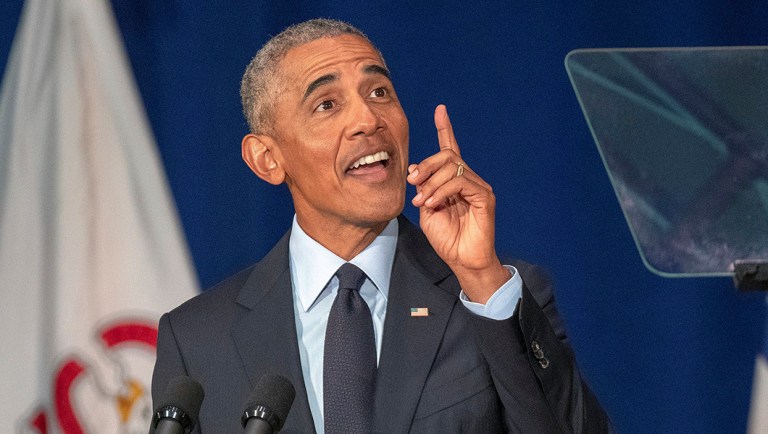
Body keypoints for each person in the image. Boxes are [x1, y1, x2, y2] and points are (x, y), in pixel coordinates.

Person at [151, 18, 612, 433]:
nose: (368, 119)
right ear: (267, 159)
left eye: (379, 93)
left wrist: (481, 277)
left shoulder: (493, 298)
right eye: (327, 104)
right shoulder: (197, 339)